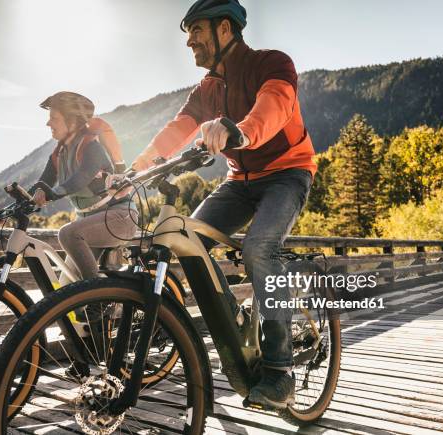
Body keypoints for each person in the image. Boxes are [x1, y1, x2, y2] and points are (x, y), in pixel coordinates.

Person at [132, 0, 316, 409]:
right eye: (188, 35)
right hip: (240, 181)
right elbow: (177, 129)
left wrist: (240, 132)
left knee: (259, 248)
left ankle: (279, 371)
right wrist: (134, 169)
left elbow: (273, 107)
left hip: (287, 174)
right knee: (189, 241)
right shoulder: (207, 89)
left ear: (226, 30)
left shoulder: (272, 63)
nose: (190, 42)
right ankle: (235, 319)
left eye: (197, 31)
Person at [32, 91, 138, 282]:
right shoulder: (60, 153)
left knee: (67, 234)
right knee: (66, 284)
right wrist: (19, 202)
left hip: (120, 218)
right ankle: (93, 303)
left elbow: (82, 176)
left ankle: (95, 300)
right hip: (91, 221)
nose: (48, 124)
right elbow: (43, 183)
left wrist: (54, 193)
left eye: (53, 118)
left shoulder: (92, 146)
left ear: (72, 122)